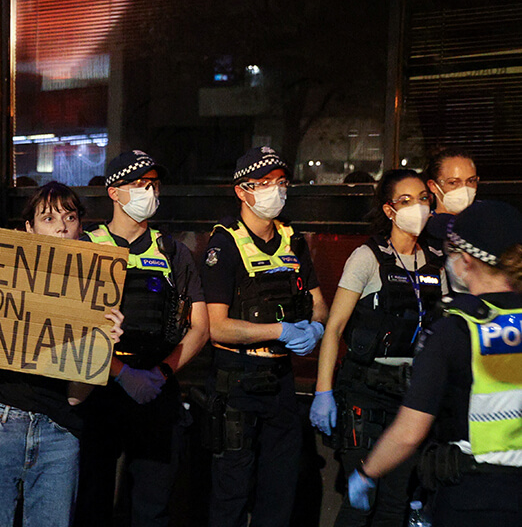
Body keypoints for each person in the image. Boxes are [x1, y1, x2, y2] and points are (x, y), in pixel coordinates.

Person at [0, 181, 124, 527]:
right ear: (29, 229)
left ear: (81, 228)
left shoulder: (97, 295)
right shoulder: (0, 273)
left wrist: (102, 348)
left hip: (58, 433)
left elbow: (77, 398)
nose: (62, 225)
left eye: (71, 216)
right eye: (49, 218)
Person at [348, 200, 522, 527]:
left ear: (466, 261)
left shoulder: (456, 330)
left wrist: (367, 472)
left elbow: (409, 433)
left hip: (472, 499)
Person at [74, 150, 210, 527]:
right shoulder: (85, 244)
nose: (149, 191)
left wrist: (161, 374)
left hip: (154, 387)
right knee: (90, 503)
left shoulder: (173, 251)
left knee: (153, 507)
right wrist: (121, 373)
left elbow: (200, 327)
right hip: (96, 387)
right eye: (139, 184)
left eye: (153, 184)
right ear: (114, 193)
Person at [201, 145, 328, 527]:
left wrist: (316, 328)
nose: (276, 190)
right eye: (264, 183)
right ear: (242, 191)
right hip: (237, 379)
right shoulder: (224, 245)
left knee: (280, 491)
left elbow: (318, 302)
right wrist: (280, 330)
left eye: (281, 182)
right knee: (231, 493)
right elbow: (217, 326)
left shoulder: (293, 240)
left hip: (281, 379)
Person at [311, 169, 445, 527]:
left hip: (411, 396)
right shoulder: (367, 257)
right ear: (388, 210)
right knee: (360, 504)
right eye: (405, 200)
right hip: (365, 393)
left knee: (395, 504)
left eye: (422, 198)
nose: (417, 206)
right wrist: (322, 391)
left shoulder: (435, 257)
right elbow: (335, 327)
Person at [423, 147, 478, 245]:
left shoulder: (484, 222)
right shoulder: (424, 231)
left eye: (471, 181)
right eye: (453, 183)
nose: (464, 189)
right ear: (433, 186)